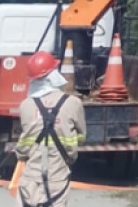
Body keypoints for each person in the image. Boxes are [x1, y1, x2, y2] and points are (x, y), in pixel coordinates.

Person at [15, 50, 86, 207]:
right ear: (53, 75)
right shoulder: (73, 103)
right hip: (57, 177)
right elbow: (81, 138)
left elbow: (23, 149)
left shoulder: (26, 105)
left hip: (30, 179)